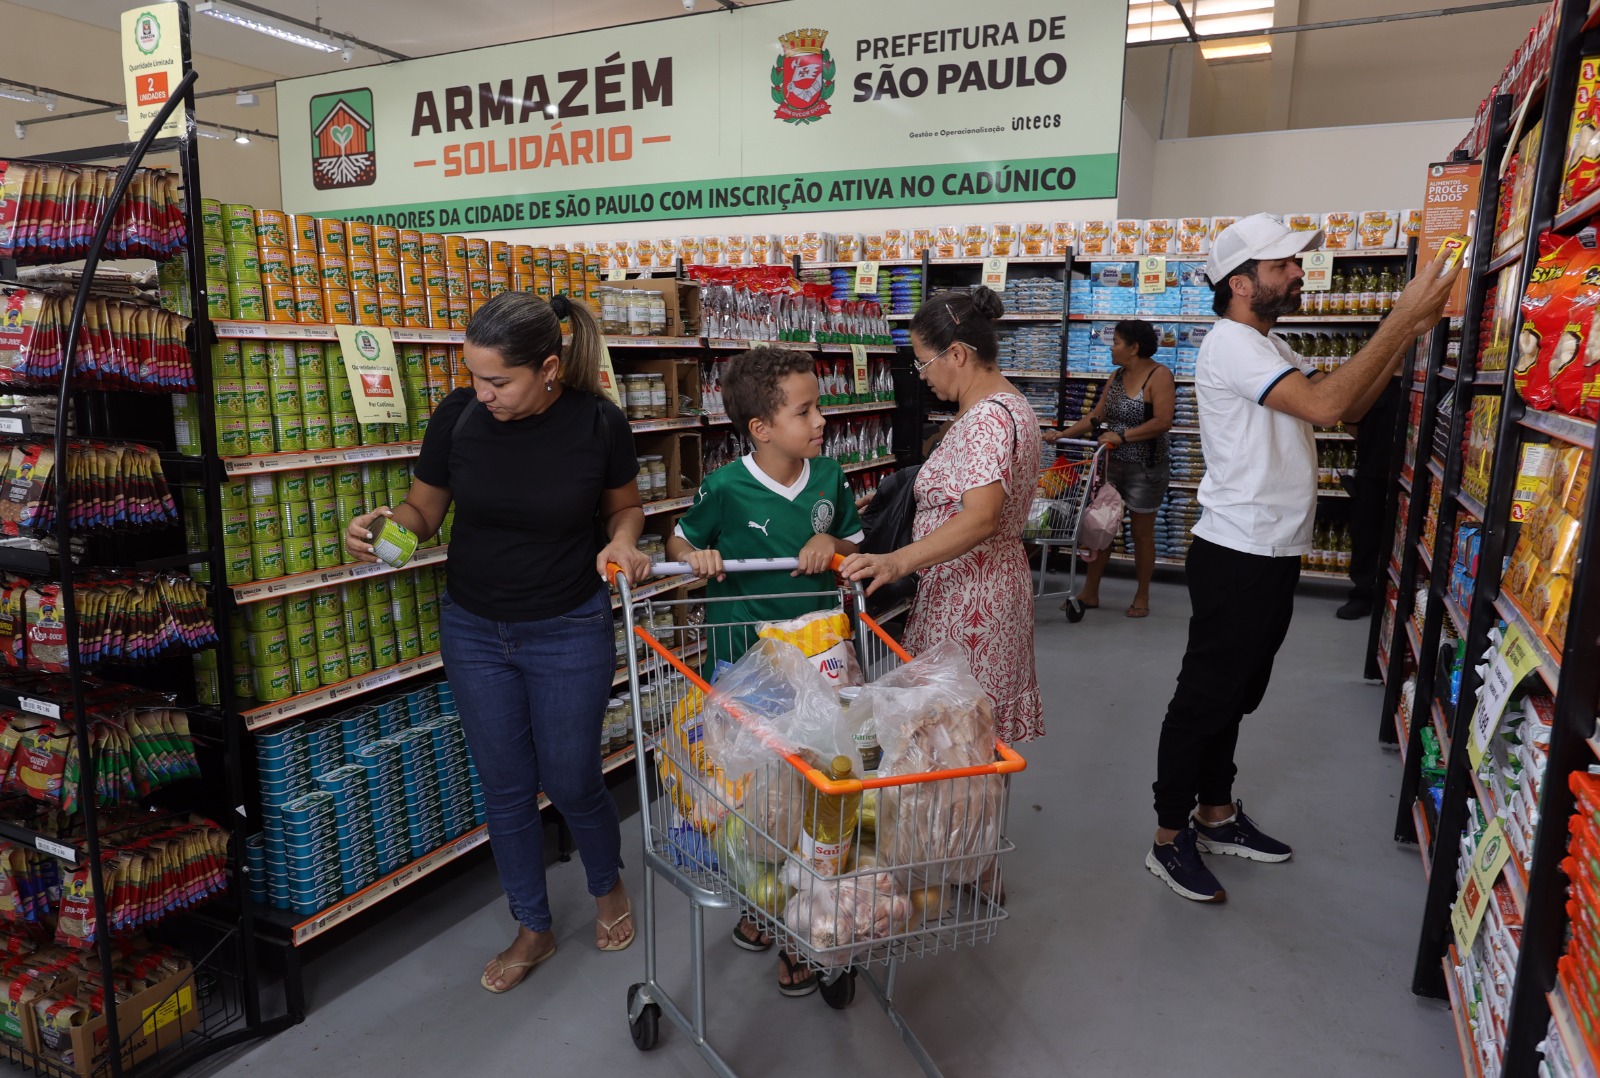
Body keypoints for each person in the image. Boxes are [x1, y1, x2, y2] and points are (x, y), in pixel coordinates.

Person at [1145, 214, 1461, 904]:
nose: (1297, 273)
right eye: (1283, 264)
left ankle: (1216, 812)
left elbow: (1352, 407)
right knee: (1205, 696)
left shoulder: (1269, 343)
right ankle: (1170, 839)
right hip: (1238, 552)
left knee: (1236, 691)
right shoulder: (1233, 345)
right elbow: (1326, 405)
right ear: (1240, 282)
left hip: (1269, 548)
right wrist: (1398, 317)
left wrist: (1407, 331)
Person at [344, 291, 652, 991]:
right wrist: (383, 529)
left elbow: (625, 507)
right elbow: (424, 509)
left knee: (573, 776)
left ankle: (607, 887)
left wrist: (624, 543)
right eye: (474, 377)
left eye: (497, 381)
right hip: (475, 626)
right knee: (507, 786)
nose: (481, 394)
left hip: (568, 625)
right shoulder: (458, 416)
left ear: (547, 368)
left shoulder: (598, 423)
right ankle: (532, 926)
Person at [665, 346, 864, 998]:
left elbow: (853, 547)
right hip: (746, 663)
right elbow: (680, 539)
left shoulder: (831, 477)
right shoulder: (725, 486)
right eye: (805, 410)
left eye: (819, 407)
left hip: (820, 659)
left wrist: (828, 544)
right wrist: (696, 558)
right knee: (758, 798)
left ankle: (798, 926)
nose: (821, 420)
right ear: (761, 428)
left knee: (813, 788)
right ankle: (762, 909)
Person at [840, 286, 1045, 743]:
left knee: (953, 742)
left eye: (923, 362)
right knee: (965, 740)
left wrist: (896, 561)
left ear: (956, 354)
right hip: (986, 586)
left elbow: (980, 517)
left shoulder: (986, 421)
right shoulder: (1008, 405)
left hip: (969, 600)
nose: (921, 375)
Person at [1053, 318, 1174, 617]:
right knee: (1100, 526)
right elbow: (1097, 415)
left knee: (1142, 534)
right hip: (1112, 463)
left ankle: (1142, 595)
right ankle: (1090, 592)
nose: (1112, 347)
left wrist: (1122, 436)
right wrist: (1063, 434)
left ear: (1134, 347)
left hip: (1146, 467)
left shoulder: (1159, 376)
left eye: (1117, 342)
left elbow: (1162, 421)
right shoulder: (1117, 376)